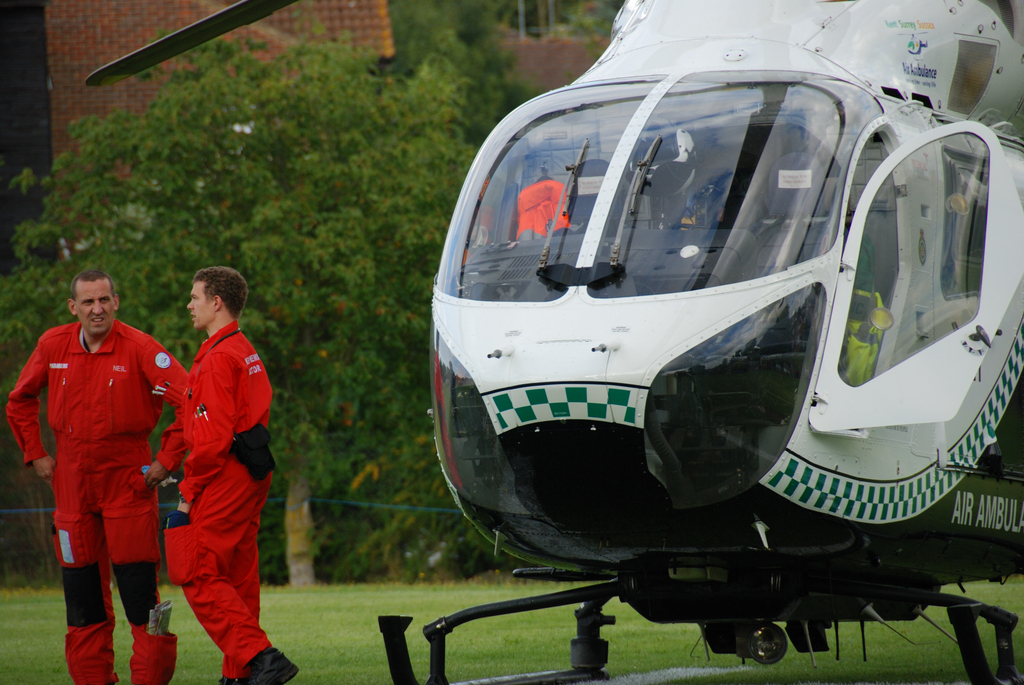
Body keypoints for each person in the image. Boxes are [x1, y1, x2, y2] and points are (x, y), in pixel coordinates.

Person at [6, 269, 186, 685]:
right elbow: (20, 400)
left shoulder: (142, 348)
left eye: (104, 300)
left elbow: (190, 399)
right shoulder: (53, 345)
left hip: (129, 483)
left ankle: (150, 678)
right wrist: (35, 453)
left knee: (140, 595)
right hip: (71, 486)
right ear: (74, 307)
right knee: (82, 597)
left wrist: (167, 459)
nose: (97, 309)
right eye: (88, 302)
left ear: (116, 302)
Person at [168, 266, 298, 685]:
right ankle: (240, 674)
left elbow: (210, 442)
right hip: (251, 471)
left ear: (216, 302)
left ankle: (261, 658)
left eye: (195, 297)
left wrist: (187, 494)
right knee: (238, 576)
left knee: (197, 571)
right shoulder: (242, 347)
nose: (190, 305)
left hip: (224, 475)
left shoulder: (218, 358)